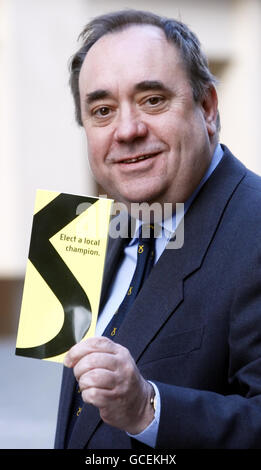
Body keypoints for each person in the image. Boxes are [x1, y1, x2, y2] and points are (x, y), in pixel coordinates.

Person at [54, 9, 261, 449]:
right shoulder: (91, 232)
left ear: (206, 108)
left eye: (152, 100)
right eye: (102, 110)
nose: (127, 130)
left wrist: (148, 409)